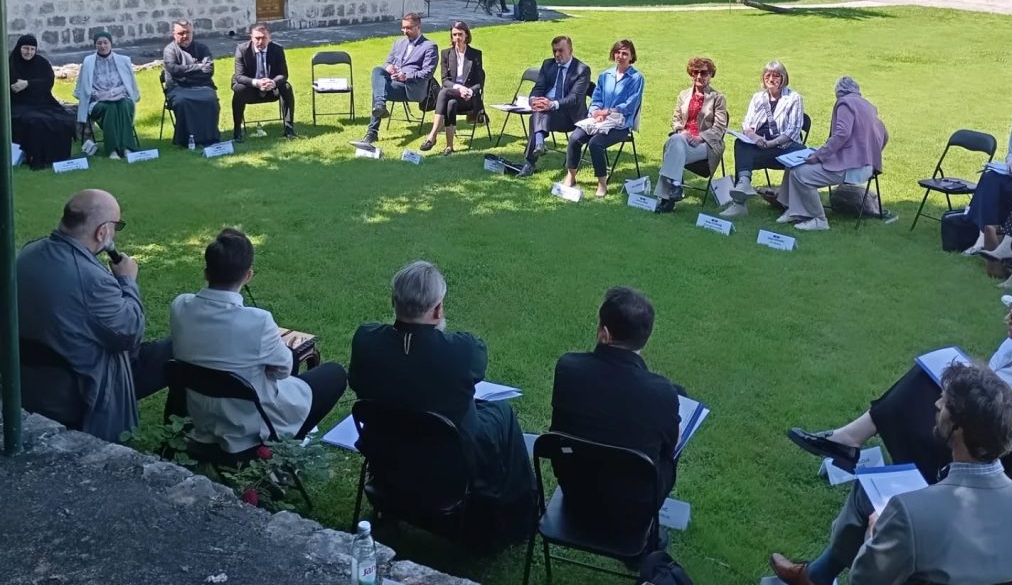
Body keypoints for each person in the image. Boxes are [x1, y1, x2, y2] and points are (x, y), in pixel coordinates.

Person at [770, 363, 1012, 585]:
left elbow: (863, 580)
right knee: (867, 489)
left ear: (958, 428)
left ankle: (816, 576)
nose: (936, 404)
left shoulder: (908, 513)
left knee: (872, 496)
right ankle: (816, 575)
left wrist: (873, 538)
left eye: (944, 403)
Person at [348, 261, 535, 540]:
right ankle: (513, 515)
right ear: (438, 310)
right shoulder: (461, 352)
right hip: (446, 459)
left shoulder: (366, 341)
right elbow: (469, 367)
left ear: (394, 301)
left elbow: (360, 381)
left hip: (387, 451)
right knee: (503, 414)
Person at [786, 285, 1012, 485]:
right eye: (1010, 310)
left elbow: (1006, 429)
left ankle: (865, 452)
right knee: (926, 374)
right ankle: (850, 438)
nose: (1007, 319)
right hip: (977, 415)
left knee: (931, 398)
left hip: (990, 446)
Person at [170, 228, 348, 453]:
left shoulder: (180, 306)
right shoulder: (258, 322)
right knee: (334, 374)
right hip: (247, 428)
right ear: (248, 275)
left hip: (199, 416)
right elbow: (284, 370)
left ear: (206, 273)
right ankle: (286, 447)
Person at [16, 189, 172, 441]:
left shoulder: (27, 254)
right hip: (83, 392)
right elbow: (129, 332)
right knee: (178, 348)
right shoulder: (92, 281)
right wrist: (127, 281)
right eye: (116, 226)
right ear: (102, 232)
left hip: (35, 383)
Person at [551, 287, 683, 518]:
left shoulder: (568, 368)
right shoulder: (664, 393)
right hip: (635, 509)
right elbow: (670, 447)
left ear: (604, 334)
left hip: (576, 491)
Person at [776, 76, 887, 232]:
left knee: (800, 174)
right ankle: (793, 210)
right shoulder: (868, 106)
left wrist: (819, 155)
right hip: (864, 165)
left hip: (852, 167)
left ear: (838, 92)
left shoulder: (845, 103)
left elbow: (842, 134)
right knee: (792, 166)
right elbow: (884, 135)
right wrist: (870, 155)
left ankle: (818, 219)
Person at [721, 60, 805, 218]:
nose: (771, 79)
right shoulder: (758, 97)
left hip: (783, 148)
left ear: (783, 78)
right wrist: (754, 137)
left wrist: (771, 142)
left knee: (800, 152)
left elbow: (793, 131)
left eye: (776, 76)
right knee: (741, 144)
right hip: (760, 146)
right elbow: (747, 124)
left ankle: (791, 204)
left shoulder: (794, 98)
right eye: (768, 76)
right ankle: (742, 189)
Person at [564, 40, 644, 199]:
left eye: (625, 54)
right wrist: (596, 112)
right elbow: (596, 99)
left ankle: (602, 184)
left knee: (595, 144)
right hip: (599, 120)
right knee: (574, 138)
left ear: (631, 57)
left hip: (620, 124)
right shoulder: (605, 75)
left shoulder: (636, 78)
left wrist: (608, 112)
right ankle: (571, 176)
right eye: (618, 52)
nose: (620, 56)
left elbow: (630, 105)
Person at [654, 57, 728, 213]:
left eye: (704, 73)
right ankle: (674, 187)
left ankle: (668, 197)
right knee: (676, 140)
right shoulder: (684, 95)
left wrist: (700, 138)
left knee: (672, 146)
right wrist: (682, 132)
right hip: (683, 141)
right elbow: (676, 120)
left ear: (711, 75)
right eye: (695, 72)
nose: (699, 76)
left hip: (706, 145)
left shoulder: (718, 98)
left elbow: (720, 127)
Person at [518, 35, 591, 177]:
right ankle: (539, 145)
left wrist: (552, 104)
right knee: (539, 110)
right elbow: (539, 87)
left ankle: (531, 161)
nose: (557, 54)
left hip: (570, 117)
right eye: (554, 51)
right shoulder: (548, 65)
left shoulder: (582, 70)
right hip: (547, 113)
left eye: (560, 50)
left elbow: (574, 98)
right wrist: (533, 100)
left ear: (570, 50)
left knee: (538, 114)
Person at [361, 13, 439, 145]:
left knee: (378, 91)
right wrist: (388, 66)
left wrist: (406, 76)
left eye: (409, 28)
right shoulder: (399, 43)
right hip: (394, 81)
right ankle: (380, 106)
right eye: (403, 28)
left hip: (411, 88)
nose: (405, 31)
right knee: (377, 70)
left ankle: (372, 132)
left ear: (418, 27)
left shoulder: (429, 46)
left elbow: (428, 73)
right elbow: (388, 61)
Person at [962, 84, 1012, 245]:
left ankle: (987, 235)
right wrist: (1011, 161)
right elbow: (1011, 151)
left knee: (1004, 189)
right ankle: (984, 235)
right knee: (990, 178)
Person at [9, 33, 76, 169]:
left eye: (32, 49)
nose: (29, 52)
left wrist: (28, 84)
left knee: (62, 119)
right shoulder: (11, 64)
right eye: (25, 48)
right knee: (36, 121)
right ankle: (36, 157)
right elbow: (13, 86)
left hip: (43, 102)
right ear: (19, 48)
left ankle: (60, 158)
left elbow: (47, 82)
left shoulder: (41, 63)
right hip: (19, 105)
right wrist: (21, 86)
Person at [73, 30, 140, 159]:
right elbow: (84, 88)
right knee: (110, 107)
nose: (103, 46)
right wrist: (101, 95)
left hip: (121, 98)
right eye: (99, 43)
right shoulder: (88, 62)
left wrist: (114, 93)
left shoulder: (123, 60)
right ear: (95, 45)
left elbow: (128, 85)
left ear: (111, 44)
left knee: (123, 105)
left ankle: (127, 148)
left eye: (105, 43)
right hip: (98, 101)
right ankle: (113, 150)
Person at [420, 20, 485, 154]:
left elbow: (479, 82)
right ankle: (449, 146)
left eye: (460, 34)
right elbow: (445, 80)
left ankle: (432, 135)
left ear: (466, 35)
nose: (457, 38)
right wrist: (459, 88)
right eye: (454, 35)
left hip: (469, 98)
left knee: (443, 93)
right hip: (453, 94)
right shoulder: (446, 54)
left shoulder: (475, 54)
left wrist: (469, 91)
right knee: (450, 103)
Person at [230, 22, 296, 142]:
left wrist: (273, 82)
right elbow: (239, 76)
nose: (260, 42)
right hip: (251, 88)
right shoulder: (242, 50)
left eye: (264, 38)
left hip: (271, 88)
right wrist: (257, 83)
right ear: (251, 37)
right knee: (239, 89)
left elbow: (283, 74)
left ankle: (289, 129)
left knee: (286, 87)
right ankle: (237, 131)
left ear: (269, 37)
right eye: (257, 38)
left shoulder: (277, 49)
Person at [162, 19, 220, 147]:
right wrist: (198, 67)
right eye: (181, 33)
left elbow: (209, 70)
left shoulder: (202, 48)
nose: (185, 36)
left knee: (211, 100)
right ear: (174, 34)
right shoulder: (170, 50)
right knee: (182, 102)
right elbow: (174, 70)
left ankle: (209, 137)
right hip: (178, 87)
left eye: (188, 32)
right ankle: (186, 139)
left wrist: (185, 73)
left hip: (203, 86)